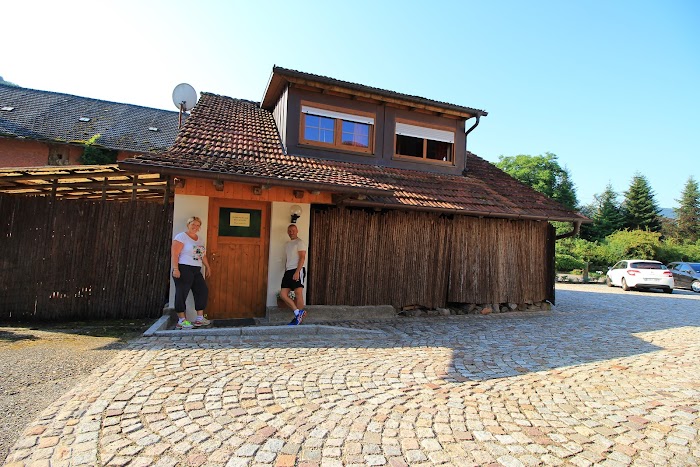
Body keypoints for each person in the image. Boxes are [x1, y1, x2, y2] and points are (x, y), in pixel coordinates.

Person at [171, 217, 212, 329]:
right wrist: (175, 268)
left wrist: (207, 267)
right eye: (193, 224)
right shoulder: (181, 237)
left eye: (198, 225)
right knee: (182, 293)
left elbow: (201, 255)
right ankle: (181, 320)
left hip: (196, 269)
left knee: (202, 290)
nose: (195, 227)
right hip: (183, 268)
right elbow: (174, 254)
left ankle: (199, 319)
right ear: (188, 224)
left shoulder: (200, 239)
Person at [280, 224, 307, 325]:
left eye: (293, 230)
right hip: (288, 271)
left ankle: (299, 320)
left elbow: (302, 258)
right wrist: (286, 271)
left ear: (297, 231)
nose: (291, 232)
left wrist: (297, 272)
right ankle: (297, 313)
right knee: (283, 294)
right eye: (289, 231)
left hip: (297, 270)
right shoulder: (288, 244)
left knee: (298, 293)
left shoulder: (299, 243)